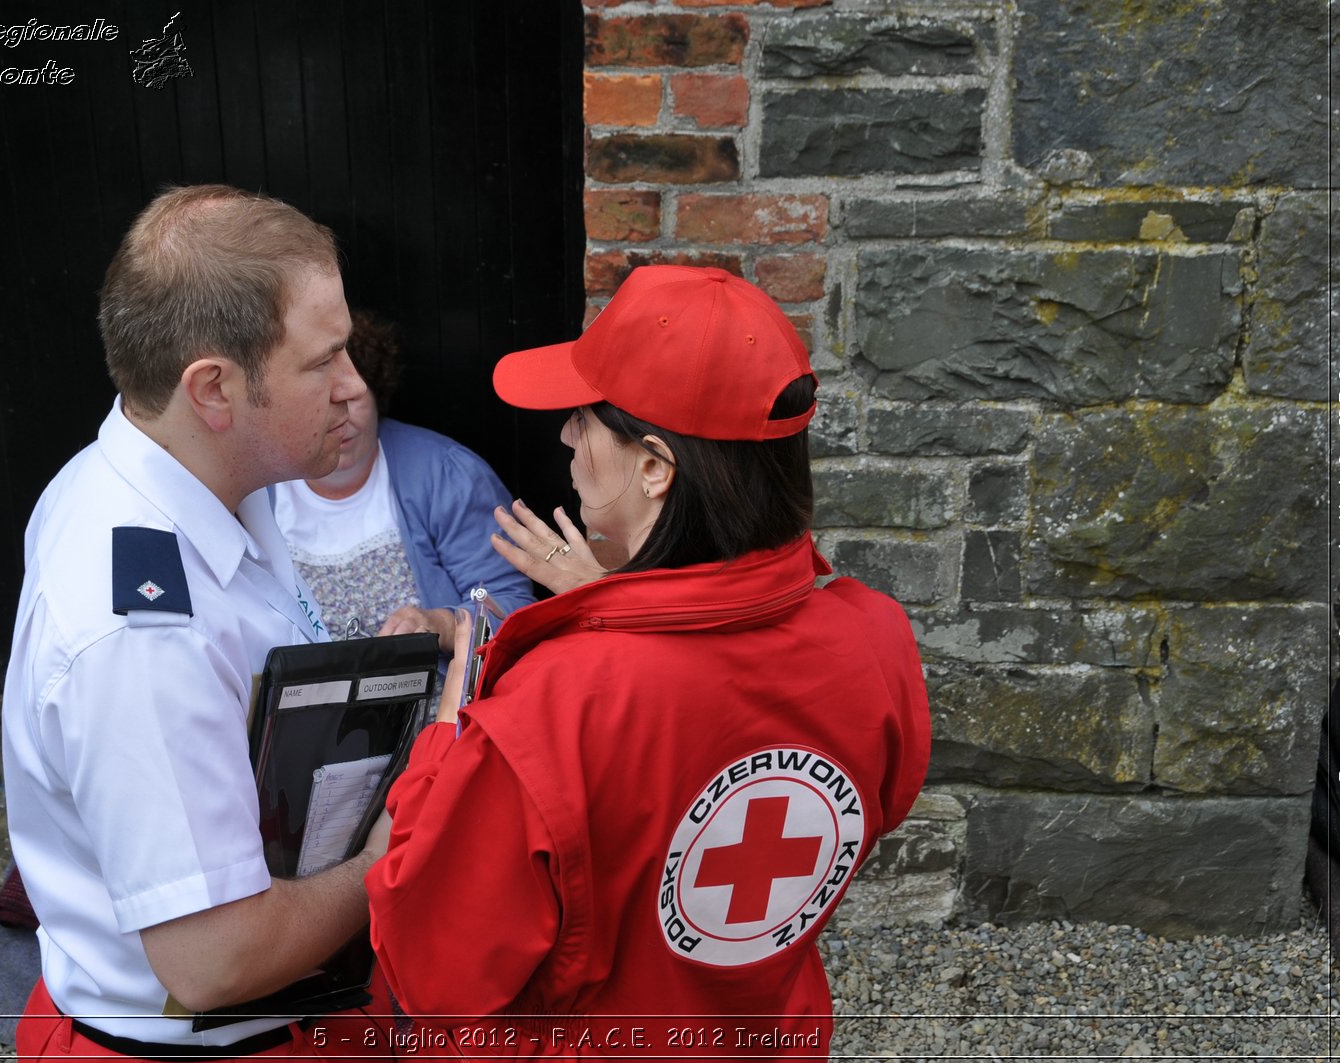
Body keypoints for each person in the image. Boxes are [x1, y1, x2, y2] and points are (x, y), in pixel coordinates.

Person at [365, 265, 932, 1056]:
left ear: (655, 467)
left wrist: (453, 729)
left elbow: (435, 967)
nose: (564, 433)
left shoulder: (555, 701)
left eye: (585, 417)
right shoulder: (876, 635)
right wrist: (618, 606)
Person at [2, 184, 389, 1059]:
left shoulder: (173, 478)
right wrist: (385, 859)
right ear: (213, 388)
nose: (353, 385)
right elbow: (209, 961)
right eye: (321, 360)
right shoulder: (142, 639)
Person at [269, 310, 532, 653]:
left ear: (376, 391)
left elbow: (513, 607)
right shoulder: (258, 490)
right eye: (319, 404)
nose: (340, 420)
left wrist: (441, 625)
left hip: (439, 705)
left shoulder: (447, 475)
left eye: (351, 399)